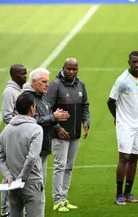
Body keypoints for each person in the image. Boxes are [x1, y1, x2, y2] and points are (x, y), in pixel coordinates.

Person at [46, 58, 90, 212]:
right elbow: (47, 109)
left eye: (74, 69)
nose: (71, 72)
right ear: (63, 68)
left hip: (75, 133)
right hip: (60, 135)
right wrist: (57, 127)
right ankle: (57, 200)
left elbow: (85, 105)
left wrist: (86, 120)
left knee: (69, 167)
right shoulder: (55, 85)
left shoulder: (80, 85)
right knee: (60, 166)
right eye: (69, 69)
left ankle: (64, 198)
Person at [107, 51, 138, 205]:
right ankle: (119, 195)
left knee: (134, 158)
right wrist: (118, 118)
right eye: (134, 62)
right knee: (124, 158)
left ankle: (128, 193)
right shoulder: (122, 81)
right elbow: (111, 101)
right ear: (129, 62)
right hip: (125, 124)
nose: (137, 65)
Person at [0, 92, 45, 217]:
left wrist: (8, 177)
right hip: (31, 182)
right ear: (32, 108)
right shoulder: (36, 129)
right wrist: (21, 178)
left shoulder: (6, 131)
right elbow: (32, 157)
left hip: (12, 184)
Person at [23, 68, 70, 186]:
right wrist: (53, 118)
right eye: (43, 82)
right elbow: (31, 121)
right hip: (32, 148)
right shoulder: (27, 98)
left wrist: (57, 119)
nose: (47, 85)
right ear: (33, 82)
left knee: (41, 183)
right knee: (34, 185)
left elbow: (46, 117)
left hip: (43, 146)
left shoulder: (42, 96)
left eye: (47, 82)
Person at [1, 64, 27, 217]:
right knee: (9, 174)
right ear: (13, 75)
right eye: (21, 74)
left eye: (25, 73)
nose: (25, 76)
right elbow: (6, 115)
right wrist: (22, 125)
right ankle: (5, 210)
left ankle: (16, 209)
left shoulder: (20, 90)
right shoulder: (10, 92)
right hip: (13, 138)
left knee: (18, 173)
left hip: (20, 137)